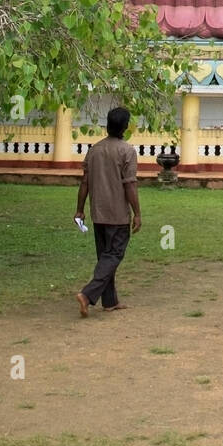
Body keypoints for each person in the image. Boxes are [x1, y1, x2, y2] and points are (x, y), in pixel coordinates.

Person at [74, 106, 141, 317]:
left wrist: (79, 210)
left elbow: (84, 182)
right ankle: (87, 294)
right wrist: (137, 213)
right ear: (125, 127)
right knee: (113, 255)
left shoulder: (94, 150)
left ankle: (110, 301)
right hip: (117, 214)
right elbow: (130, 185)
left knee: (105, 255)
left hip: (97, 213)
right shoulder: (127, 151)